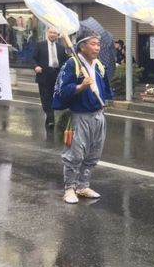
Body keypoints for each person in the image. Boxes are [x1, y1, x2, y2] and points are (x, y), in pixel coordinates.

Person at [53, 28, 114, 204]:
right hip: (79, 116)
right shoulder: (72, 64)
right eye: (93, 44)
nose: (97, 48)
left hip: (98, 114)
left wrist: (104, 100)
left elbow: (104, 88)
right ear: (81, 46)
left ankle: (83, 185)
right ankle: (69, 188)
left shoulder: (99, 64)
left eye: (98, 44)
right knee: (75, 154)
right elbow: (62, 91)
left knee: (93, 153)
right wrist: (80, 87)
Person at [32, 27, 67, 127]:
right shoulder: (40, 45)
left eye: (55, 33)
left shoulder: (61, 47)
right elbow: (34, 58)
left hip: (56, 74)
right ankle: (51, 117)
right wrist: (36, 66)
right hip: (43, 73)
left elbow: (65, 60)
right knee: (45, 97)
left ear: (57, 35)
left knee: (53, 96)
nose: (52, 35)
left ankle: (49, 115)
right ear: (47, 33)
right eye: (51, 32)